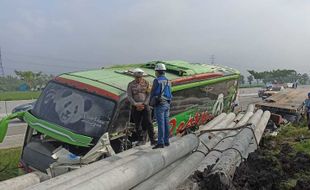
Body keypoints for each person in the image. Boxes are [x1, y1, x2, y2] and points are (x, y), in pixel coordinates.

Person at [127, 68, 156, 145]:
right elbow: (129, 96)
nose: (138, 78)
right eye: (137, 77)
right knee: (137, 124)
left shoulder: (147, 83)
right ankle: (141, 139)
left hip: (145, 105)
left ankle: (152, 139)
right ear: (134, 77)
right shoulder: (130, 84)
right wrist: (135, 104)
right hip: (135, 106)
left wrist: (144, 104)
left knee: (149, 122)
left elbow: (149, 94)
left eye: (140, 77)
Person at [150, 63, 172, 149]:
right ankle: (166, 141)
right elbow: (170, 93)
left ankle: (160, 143)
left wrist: (151, 102)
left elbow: (154, 92)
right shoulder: (168, 81)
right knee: (166, 123)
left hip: (160, 104)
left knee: (160, 124)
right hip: (167, 103)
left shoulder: (157, 80)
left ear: (158, 72)